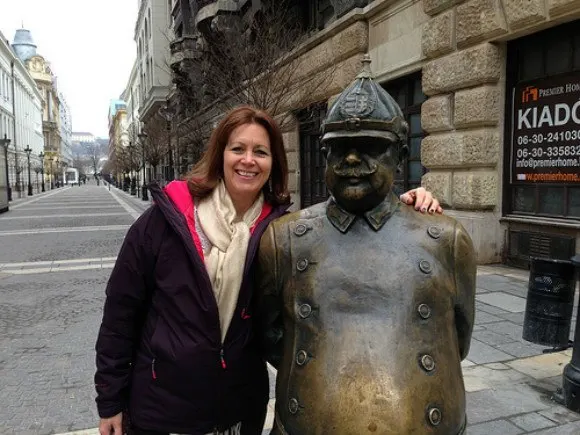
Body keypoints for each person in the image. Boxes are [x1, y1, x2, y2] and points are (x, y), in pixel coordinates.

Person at [94, 105, 443, 435]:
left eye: (260, 152)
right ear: (221, 154)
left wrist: (403, 207)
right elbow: (120, 315)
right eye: (238, 149)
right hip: (163, 407)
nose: (248, 160)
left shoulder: (280, 231)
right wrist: (110, 401)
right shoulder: (165, 221)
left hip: (237, 408)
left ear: (273, 162)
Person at [255, 58, 476, 434]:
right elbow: (271, 337)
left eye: (370, 147)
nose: (352, 160)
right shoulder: (284, 240)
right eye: (339, 150)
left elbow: (455, 340)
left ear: (401, 155)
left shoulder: (447, 240)